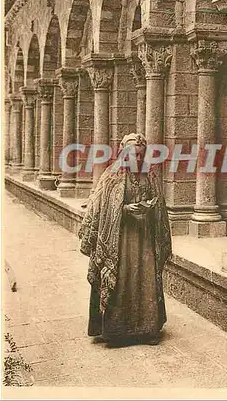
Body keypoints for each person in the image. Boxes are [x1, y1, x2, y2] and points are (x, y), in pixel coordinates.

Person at [78, 133, 172, 346]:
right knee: (121, 280)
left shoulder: (151, 175)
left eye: (141, 155)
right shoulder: (112, 175)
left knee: (146, 279)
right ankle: (118, 332)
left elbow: (159, 205)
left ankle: (147, 330)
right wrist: (125, 209)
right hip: (119, 241)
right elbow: (100, 209)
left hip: (144, 237)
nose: (137, 160)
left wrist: (150, 206)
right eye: (133, 155)